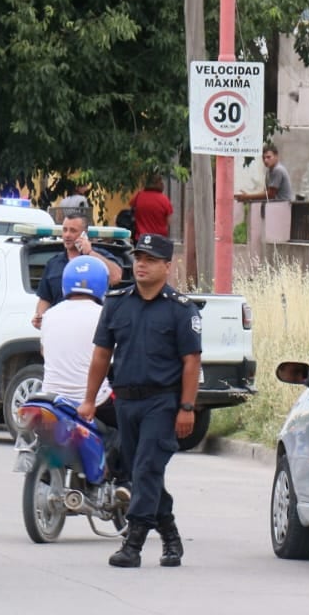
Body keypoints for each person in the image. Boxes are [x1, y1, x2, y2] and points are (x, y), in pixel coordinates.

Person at [80, 233, 201, 569]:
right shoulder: (117, 302)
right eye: (138, 258)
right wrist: (89, 400)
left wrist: (187, 407)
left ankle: (132, 543)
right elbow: (102, 354)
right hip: (126, 402)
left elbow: (192, 361)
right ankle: (171, 535)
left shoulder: (180, 309)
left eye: (149, 259)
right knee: (140, 472)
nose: (141, 265)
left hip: (162, 402)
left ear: (167, 265)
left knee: (147, 467)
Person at [38, 254, 123, 482]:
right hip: (92, 399)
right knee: (130, 423)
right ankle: (119, 477)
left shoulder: (49, 315)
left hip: (50, 397)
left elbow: (45, 353)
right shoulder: (105, 314)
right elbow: (111, 357)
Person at [32, 215, 121, 329]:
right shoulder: (54, 263)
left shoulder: (98, 257)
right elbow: (45, 298)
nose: (67, 235)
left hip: (92, 329)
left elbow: (116, 277)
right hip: (60, 329)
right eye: (65, 230)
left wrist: (90, 253)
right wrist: (40, 317)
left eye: (73, 231)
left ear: (84, 234)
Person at [128, 173, 173, 238]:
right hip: (158, 239)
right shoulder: (165, 200)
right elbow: (169, 221)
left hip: (141, 238)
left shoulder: (138, 196)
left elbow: (131, 209)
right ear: (160, 184)